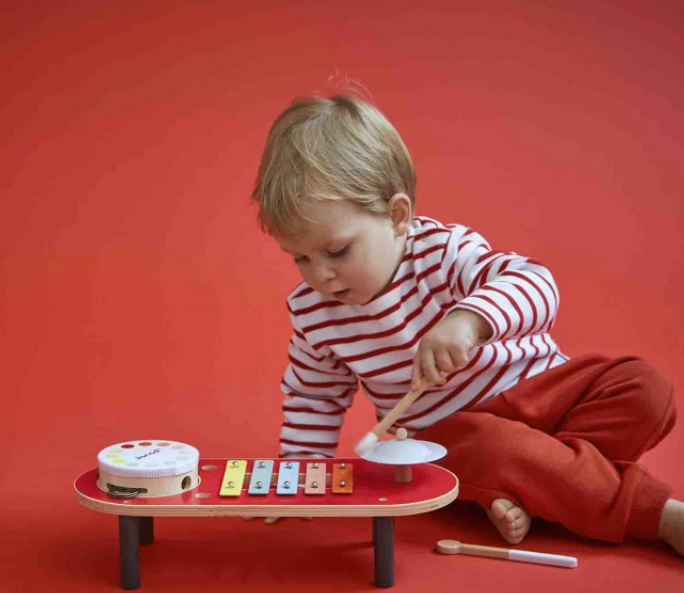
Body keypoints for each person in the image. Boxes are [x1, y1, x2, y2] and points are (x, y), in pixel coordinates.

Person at [250, 93, 683, 555]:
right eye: (300, 257)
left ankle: (546, 486)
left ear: (397, 216)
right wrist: (299, 474)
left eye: (337, 251)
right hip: (455, 439)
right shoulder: (315, 312)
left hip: (545, 392)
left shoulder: (444, 251)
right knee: (497, 450)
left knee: (645, 389)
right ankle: (654, 516)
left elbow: (535, 283)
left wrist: (469, 319)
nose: (321, 275)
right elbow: (313, 395)